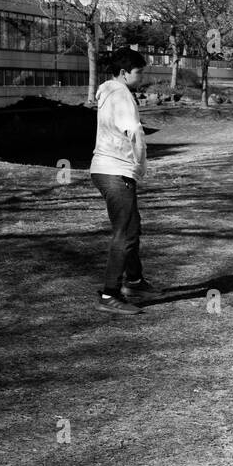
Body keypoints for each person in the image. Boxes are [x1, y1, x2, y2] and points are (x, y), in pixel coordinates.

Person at [90, 47, 153, 314]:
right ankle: (109, 294)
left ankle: (135, 281)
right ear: (124, 73)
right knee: (125, 233)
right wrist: (140, 166)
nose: (141, 77)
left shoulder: (107, 92)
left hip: (105, 168)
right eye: (138, 72)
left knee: (132, 226)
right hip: (116, 170)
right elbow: (135, 132)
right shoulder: (122, 95)